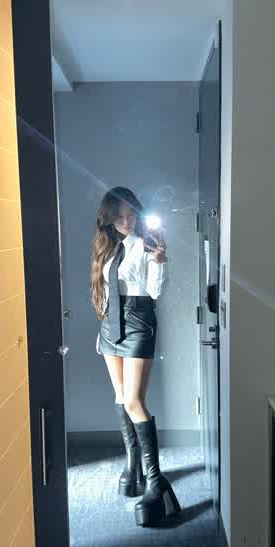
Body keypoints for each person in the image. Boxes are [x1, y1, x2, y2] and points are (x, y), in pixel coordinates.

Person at [91, 186, 181, 527]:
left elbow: (155, 292)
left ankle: (155, 481)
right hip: (109, 324)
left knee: (134, 401)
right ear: (108, 219)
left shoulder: (147, 244)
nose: (126, 222)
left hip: (139, 321)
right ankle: (133, 465)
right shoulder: (108, 247)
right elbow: (105, 289)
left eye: (131, 215)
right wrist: (102, 330)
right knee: (119, 397)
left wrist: (160, 261)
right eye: (119, 216)